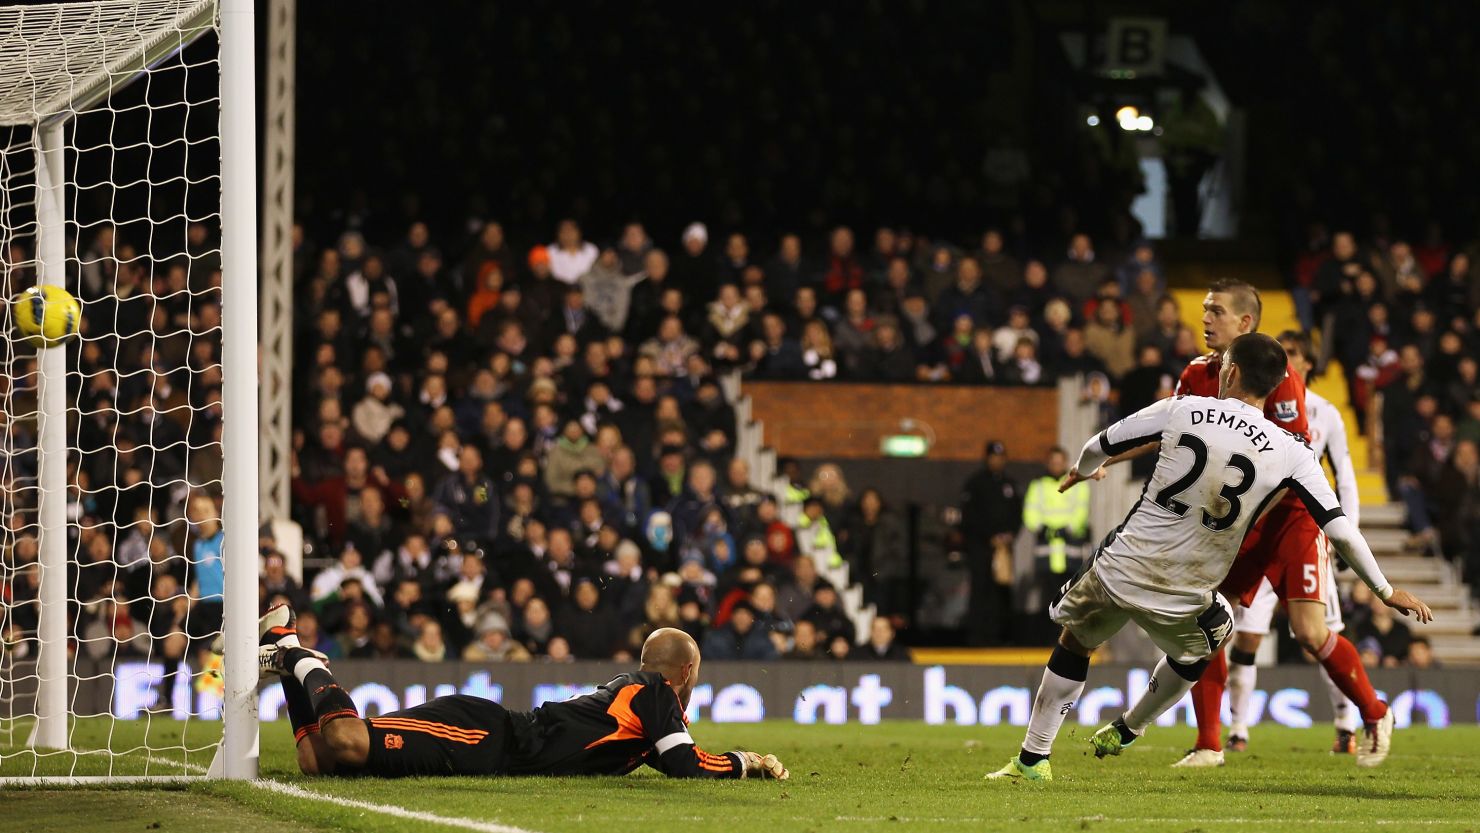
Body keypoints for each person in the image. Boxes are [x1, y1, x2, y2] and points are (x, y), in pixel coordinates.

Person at [986, 333, 1431, 783]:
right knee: (1205, 644)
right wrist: (1386, 591)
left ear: (1232, 371)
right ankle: (1131, 725)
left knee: (1075, 642)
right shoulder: (1293, 452)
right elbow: (1339, 528)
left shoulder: (1181, 408)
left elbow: (1099, 446)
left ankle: (1032, 759)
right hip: (1190, 589)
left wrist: (1080, 471)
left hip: (1123, 566)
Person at [1099, 279, 1402, 769]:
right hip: (1237, 522)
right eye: (1204, 309)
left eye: (1215, 311)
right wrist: (1110, 460)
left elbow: (1294, 466)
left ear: (1244, 323)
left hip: (1287, 520)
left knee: (1308, 632)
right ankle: (1209, 744)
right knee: (1207, 621)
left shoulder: (1277, 377)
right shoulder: (1194, 374)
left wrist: (1241, 517)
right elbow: (1164, 435)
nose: (1205, 319)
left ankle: (1374, 711)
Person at [257, 606, 789, 780]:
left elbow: (670, 753)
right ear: (686, 670)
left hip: (489, 747)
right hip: (482, 735)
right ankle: (302, 657)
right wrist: (745, 762)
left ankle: (282, 647)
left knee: (316, 759)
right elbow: (684, 765)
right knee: (345, 740)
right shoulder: (652, 691)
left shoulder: (639, 709)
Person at [1225, 330, 1364, 754]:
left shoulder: (1326, 414)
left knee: (1320, 635)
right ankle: (1237, 731)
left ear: (1308, 362)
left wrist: (1347, 533)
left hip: (1304, 532)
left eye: (1297, 354)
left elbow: (1344, 474)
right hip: (1260, 531)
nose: (1291, 361)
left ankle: (1347, 723)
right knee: (1245, 637)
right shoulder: (1255, 408)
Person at [959, 440, 1021, 644]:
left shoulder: (1010, 484)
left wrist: (1010, 534)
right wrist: (989, 536)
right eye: (993, 457)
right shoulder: (975, 483)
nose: (997, 461)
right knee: (980, 589)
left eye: (1000, 457)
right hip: (980, 546)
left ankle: (999, 636)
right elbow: (969, 516)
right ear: (987, 458)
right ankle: (977, 637)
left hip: (1003, 548)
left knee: (1001, 590)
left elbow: (1017, 514)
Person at [1022, 446, 1090, 606]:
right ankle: (1048, 631)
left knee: (1070, 599)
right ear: (1048, 463)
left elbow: (1082, 509)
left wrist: (1067, 529)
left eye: (1059, 462)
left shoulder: (1077, 484)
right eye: (1053, 462)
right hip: (1047, 554)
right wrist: (1042, 528)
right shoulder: (1037, 485)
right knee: (1047, 600)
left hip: (1070, 552)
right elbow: (1030, 512)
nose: (1056, 465)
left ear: (1065, 462)